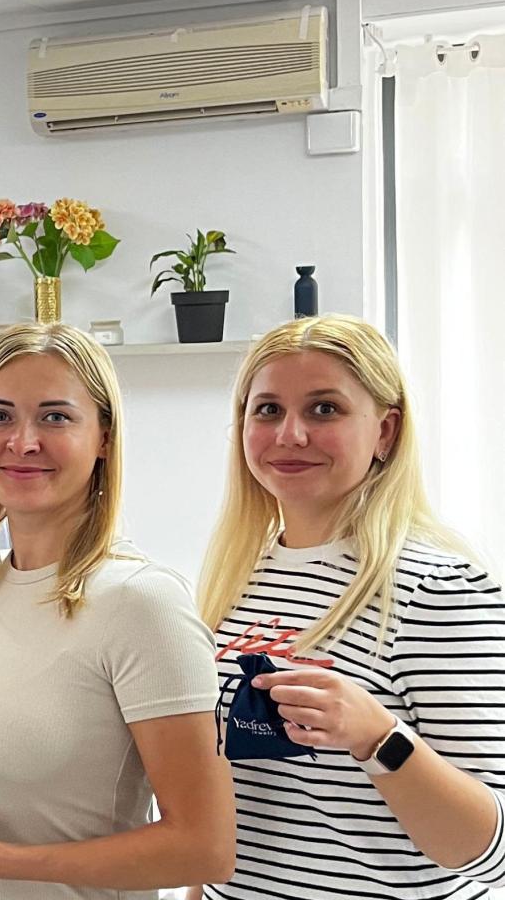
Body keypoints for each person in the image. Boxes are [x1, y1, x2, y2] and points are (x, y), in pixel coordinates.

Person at [0, 322, 235, 899]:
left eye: (55, 417)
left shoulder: (142, 602)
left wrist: (0, 859)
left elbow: (205, 846)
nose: (23, 441)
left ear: (104, 435)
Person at [194, 314, 505, 899]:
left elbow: (490, 853)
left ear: (385, 432)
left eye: (324, 409)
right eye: (267, 410)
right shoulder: (233, 579)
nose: (290, 434)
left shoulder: (440, 588)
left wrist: (377, 736)